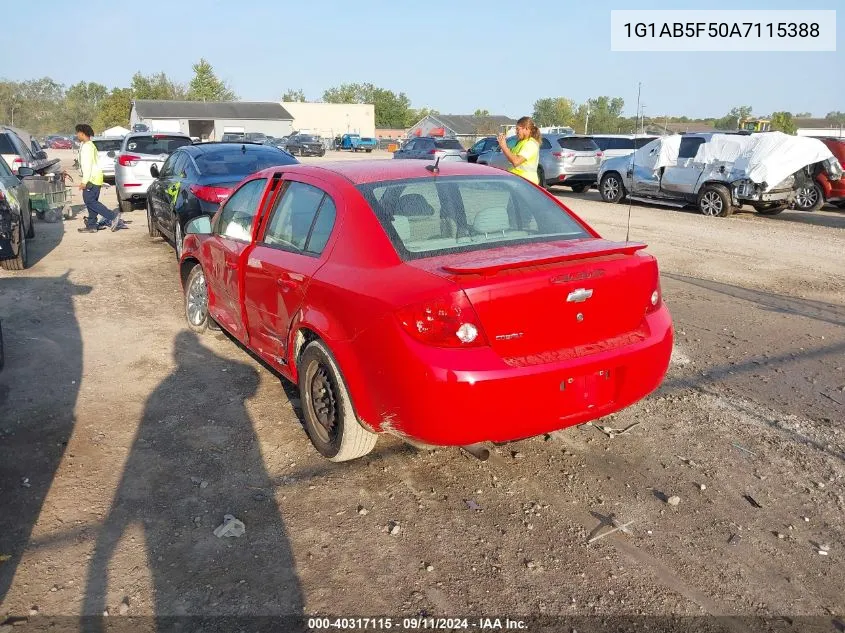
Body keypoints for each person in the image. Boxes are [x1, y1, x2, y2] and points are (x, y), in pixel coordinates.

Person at [75, 124, 123, 233]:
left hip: (91, 178)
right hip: (95, 177)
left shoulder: (87, 147)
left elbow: (87, 165)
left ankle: (112, 216)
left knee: (90, 201)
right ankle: (92, 225)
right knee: (91, 201)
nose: (76, 135)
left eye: (77, 133)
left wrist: (84, 181)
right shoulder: (89, 145)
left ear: (82, 133)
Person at [496, 116, 541, 185]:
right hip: (518, 182)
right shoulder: (522, 142)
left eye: (518, 129)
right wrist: (503, 144)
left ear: (526, 128)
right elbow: (512, 155)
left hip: (526, 183)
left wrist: (504, 147)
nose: (516, 132)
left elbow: (516, 161)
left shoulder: (530, 144)